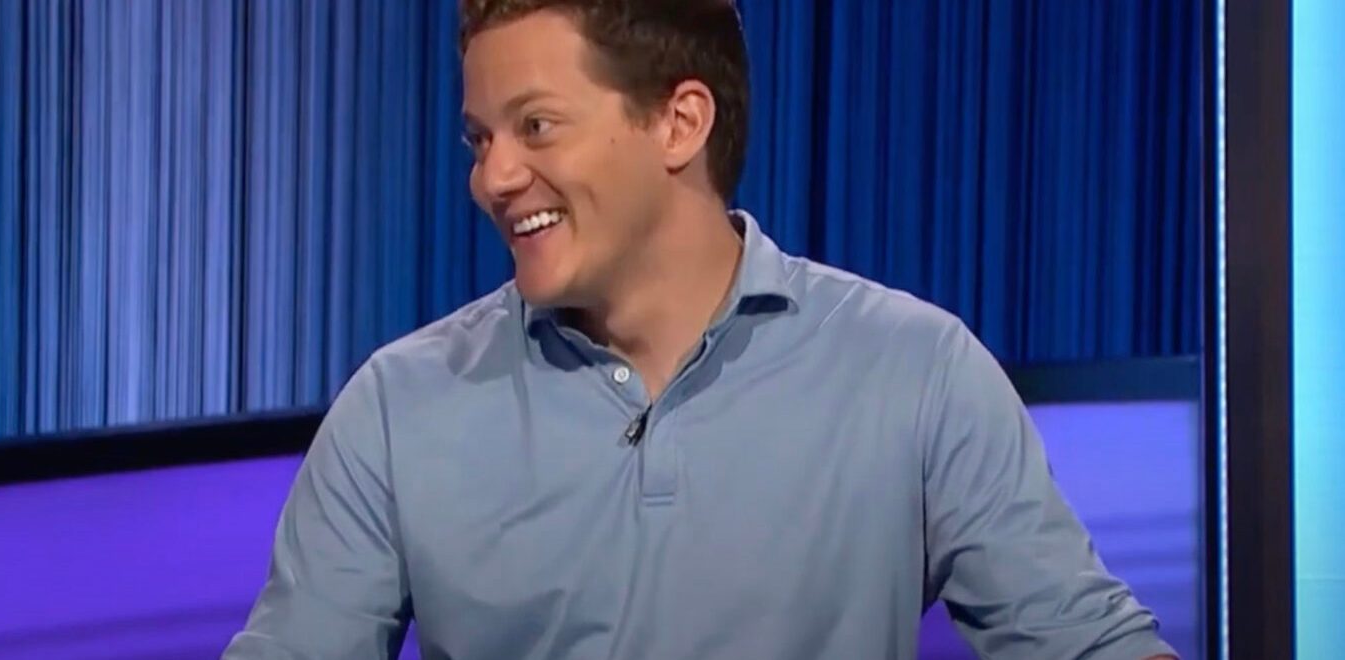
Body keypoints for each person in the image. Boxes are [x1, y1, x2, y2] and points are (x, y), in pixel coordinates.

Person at [224, 1, 1178, 658]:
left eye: (537, 127)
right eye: (481, 139)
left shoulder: (913, 371)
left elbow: (1085, 641)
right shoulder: (400, 406)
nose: (493, 178)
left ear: (680, 123)